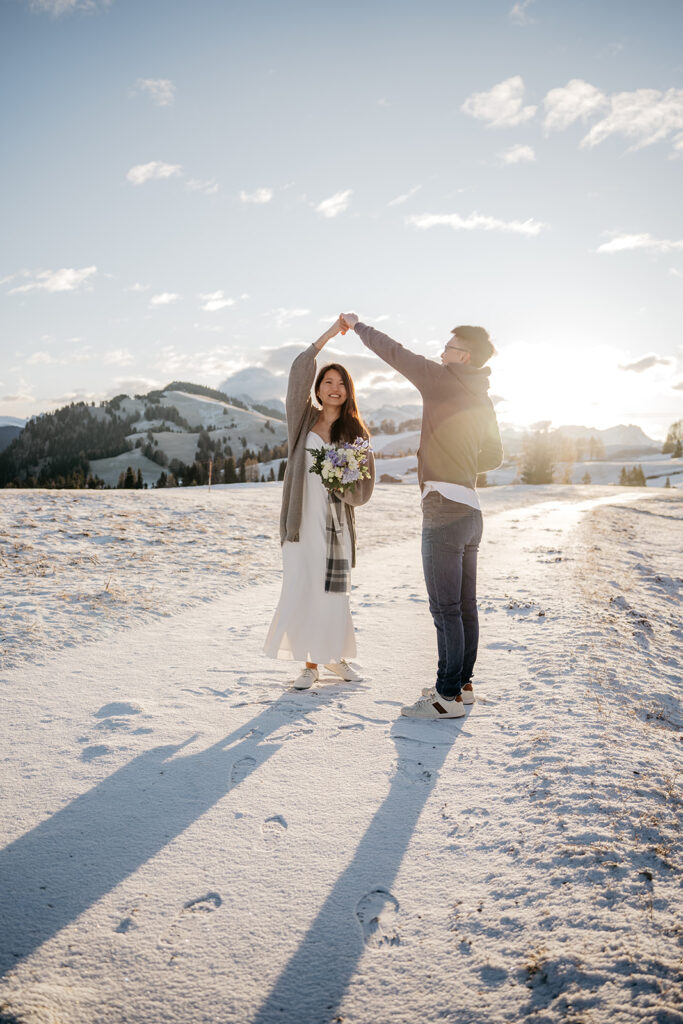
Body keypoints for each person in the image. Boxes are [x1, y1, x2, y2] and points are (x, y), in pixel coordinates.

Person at [339, 313, 503, 719]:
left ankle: (445, 698)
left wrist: (359, 326)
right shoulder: (482, 396)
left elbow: (395, 353)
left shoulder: (442, 378)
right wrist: (461, 459)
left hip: (444, 507)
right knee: (465, 605)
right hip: (471, 508)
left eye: (447, 348)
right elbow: (496, 456)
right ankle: (461, 687)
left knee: (445, 607)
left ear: (463, 357)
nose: (440, 352)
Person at [264, 317, 375, 689]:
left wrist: (339, 483)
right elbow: (298, 370)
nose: (334, 388)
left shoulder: (356, 433)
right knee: (302, 587)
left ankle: (333, 659)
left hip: (334, 526)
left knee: (332, 593)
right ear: (318, 388)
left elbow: (363, 491)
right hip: (300, 522)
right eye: (328, 381)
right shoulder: (303, 420)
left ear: (349, 391)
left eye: (341, 383)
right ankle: (310, 665)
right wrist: (329, 334)